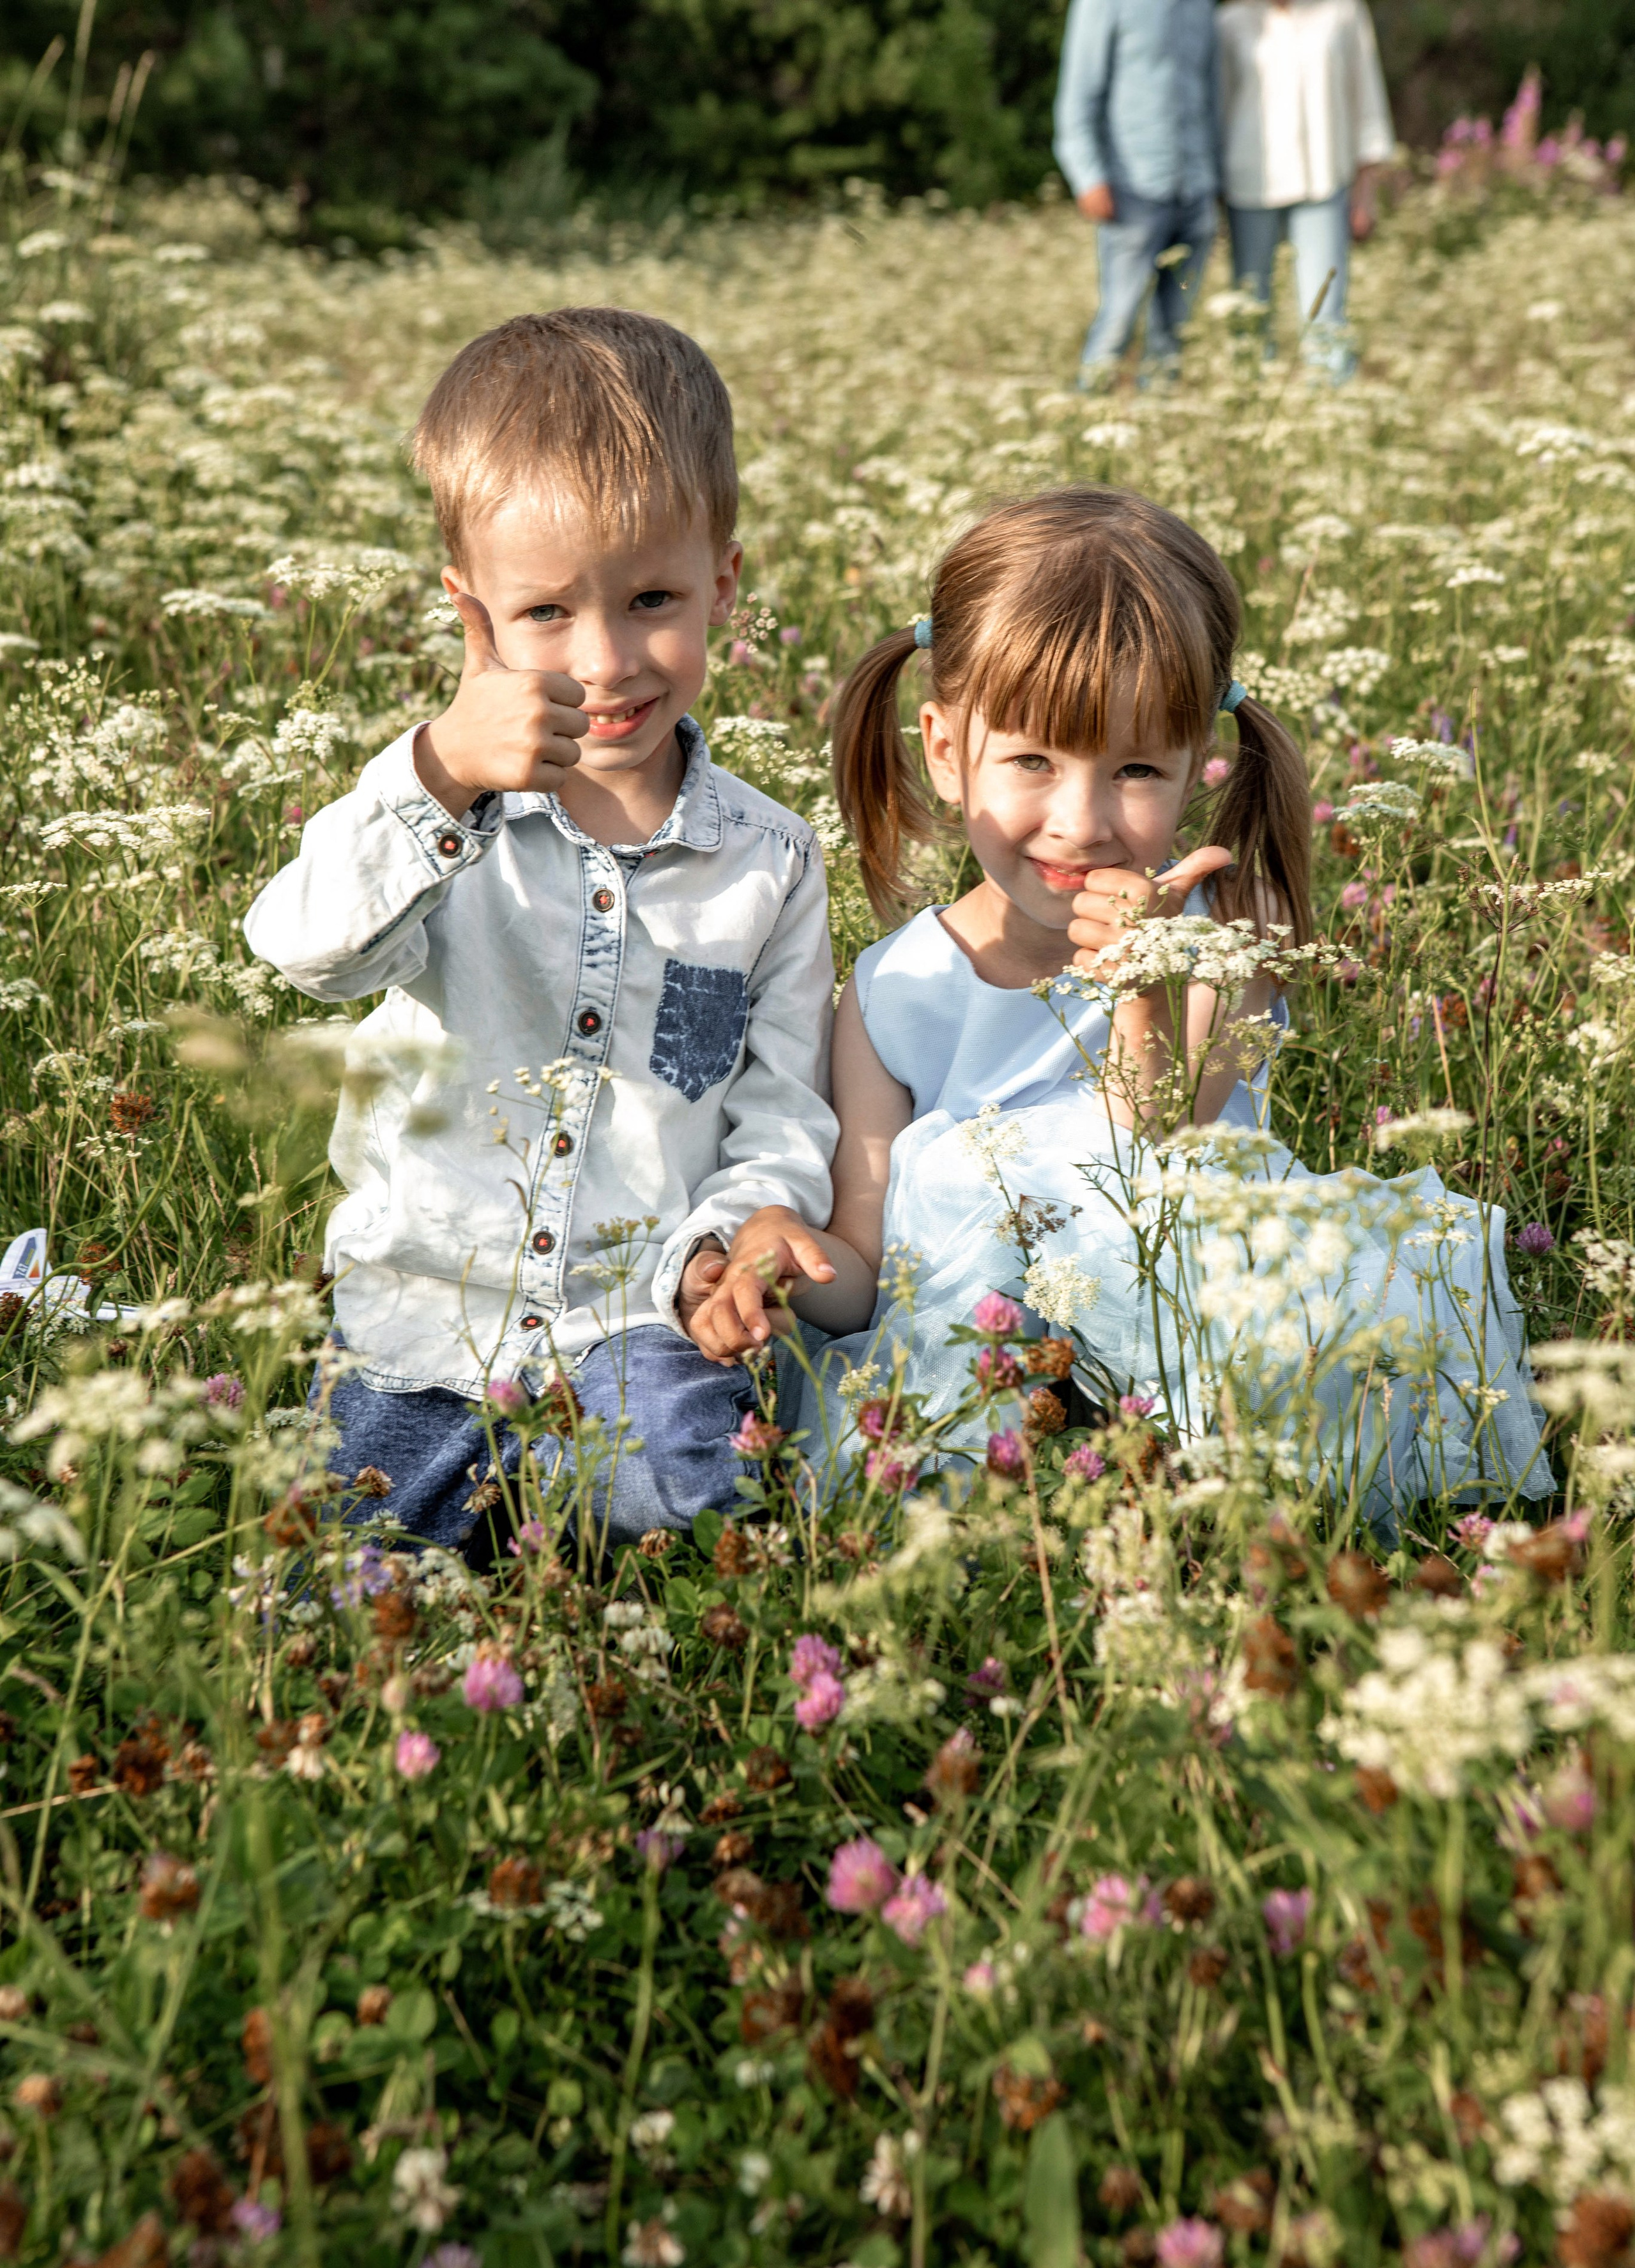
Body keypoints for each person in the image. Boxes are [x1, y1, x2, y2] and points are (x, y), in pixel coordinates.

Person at [688, 488, 1551, 1528]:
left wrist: (1141, 985)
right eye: (1033, 761)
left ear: (1199, 769)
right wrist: (789, 1263)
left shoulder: (1226, 937)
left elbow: (1160, 1142)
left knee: (1323, 1352)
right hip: (994, 1351)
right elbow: (869, 1278)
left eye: (1137, 769)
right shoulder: (889, 992)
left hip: (1201, 1321)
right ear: (949, 752)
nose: (1082, 819)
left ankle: (1194, 1491)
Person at [244, 308, 838, 1550]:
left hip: (631, 1323)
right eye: (548, 614)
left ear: (723, 580)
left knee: (710, 1487)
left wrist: (725, 1250)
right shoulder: (438, 810)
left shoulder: (767, 862)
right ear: (473, 615)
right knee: (344, 1585)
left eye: (652, 598)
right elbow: (303, 951)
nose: (608, 659)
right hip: (421, 1326)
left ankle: (560, 1518)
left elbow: (779, 1109)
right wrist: (440, 771)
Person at [1218, 0, 1395, 379]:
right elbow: (1219, 109)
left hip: (1324, 182)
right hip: (1250, 188)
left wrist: (1365, 194)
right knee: (1250, 312)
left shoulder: (1343, 13)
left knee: (1326, 315)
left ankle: (1329, 411)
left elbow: (1367, 106)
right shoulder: (1230, 22)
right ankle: (1250, 409)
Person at [1052, 0, 1221, 389]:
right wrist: (1088, 178)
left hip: (1195, 190)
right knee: (1117, 325)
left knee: (1174, 335)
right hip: (1133, 191)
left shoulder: (1202, 8)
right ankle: (1085, 423)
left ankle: (1158, 434)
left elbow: (1212, 97)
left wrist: (1216, 181)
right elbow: (1077, 96)